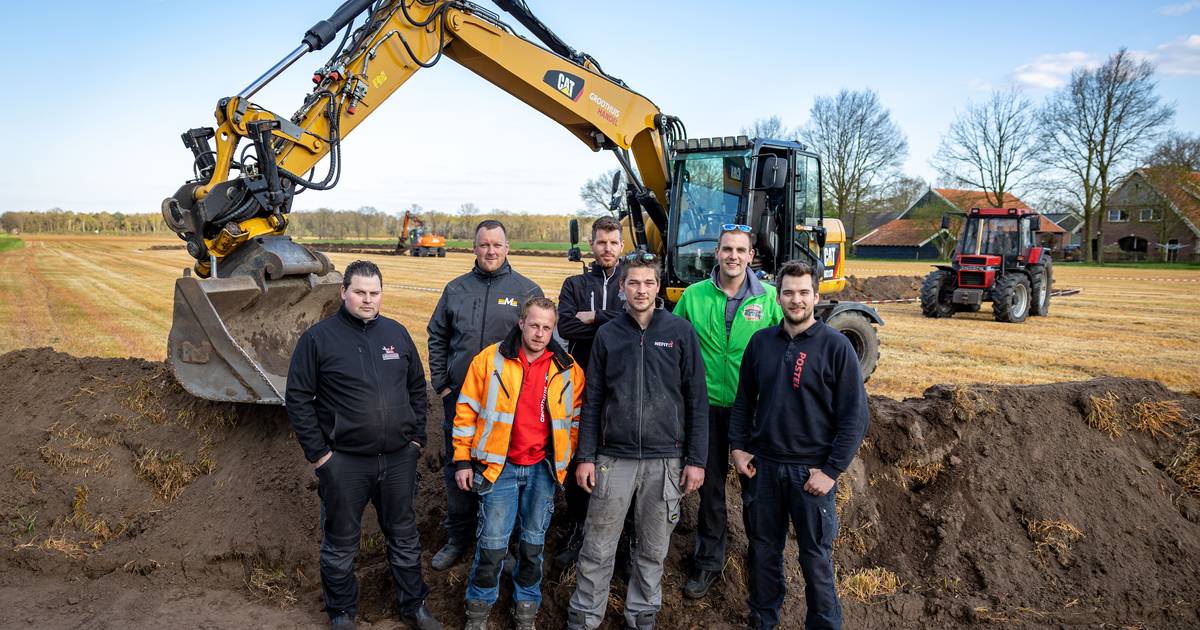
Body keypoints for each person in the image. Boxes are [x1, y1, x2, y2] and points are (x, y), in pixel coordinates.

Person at [285, 260, 441, 630]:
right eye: (360, 292)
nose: (367, 300)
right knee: (340, 542)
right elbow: (297, 397)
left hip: (398, 459)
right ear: (343, 292)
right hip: (345, 463)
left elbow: (418, 388)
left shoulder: (397, 334)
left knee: (404, 536)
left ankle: (414, 607)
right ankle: (341, 613)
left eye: (374, 293)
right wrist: (321, 456)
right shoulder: (319, 339)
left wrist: (416, 439)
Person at [567, 254, 709, 630]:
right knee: (597, 546)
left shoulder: (679, 332)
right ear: (622, 288)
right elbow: (593, 399)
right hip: (613, 459)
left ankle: (642, 613)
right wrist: (586, 457)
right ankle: (584, 616)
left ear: (657, 287)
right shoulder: (608, 335)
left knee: (652, 548)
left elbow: (696, 400)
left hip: (666, 461)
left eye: (648, 283)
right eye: (633, 283)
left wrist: (696, 460)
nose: (641, 290)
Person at [729, 261, 870, 630]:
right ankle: (763, 622)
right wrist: (739, 448)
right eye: (789, 292)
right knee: (763, 554)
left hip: (811, 474)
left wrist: (831, 471)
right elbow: (744, 400)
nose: (796, 299)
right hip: (765, 470)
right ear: (778, 297)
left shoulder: (836, 347)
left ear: (816, 296)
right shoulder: (761, 343)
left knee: (816, 559)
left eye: (803, 292)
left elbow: (854, 417)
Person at [452, 297, 585, 630]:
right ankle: (478, 612)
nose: (540, 333)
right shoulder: (489, 361)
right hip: (500, 469)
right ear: (521, 323)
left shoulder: (568, 369)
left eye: (547, 327)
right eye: (534, 325)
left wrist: (563, 463)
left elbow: (575, 421)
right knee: (493, 545)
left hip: (542, 470)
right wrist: (462, 460)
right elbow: (466, 409)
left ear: (553, 329)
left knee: (532, 545)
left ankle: (526, 610)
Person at [672, 225, 782, 599]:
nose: (733, 255)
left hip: (752, 412)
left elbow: (786, 352)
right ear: (716, 253)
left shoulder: (769, 300)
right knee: (711, 489)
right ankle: (708, 563)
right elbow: (675, 347)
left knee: (757, 490)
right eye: (726, 249)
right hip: (705, 410)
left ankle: (761, 558)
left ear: (752, 255)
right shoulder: (693, 296)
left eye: (740, 250)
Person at [427, 219, 544, 570]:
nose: (490, 251)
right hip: (461, 400)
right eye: (484, 245)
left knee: (501, 472)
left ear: (507, 248)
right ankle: (458, 537)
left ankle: (500, 543)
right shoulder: (456, 289)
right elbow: (437, 336)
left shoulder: (526, 292)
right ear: (474, 248)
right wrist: (442, 384)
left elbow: (540, 344)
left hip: (506, 408)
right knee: (457, 467)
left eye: (497, 244)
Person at [553, 215, 625, 566]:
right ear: (592, 246)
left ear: (621, 246)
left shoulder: (633, 281)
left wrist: (594, 317)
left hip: (623, 383)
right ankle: (578, 527)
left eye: (613, 243)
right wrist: (617, 317)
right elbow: (564, 323)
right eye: (601, 242)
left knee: (619, 456)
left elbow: (640, 318)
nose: (607, 248)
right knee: (580, 453)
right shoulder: (575, 284)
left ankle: (621, 536)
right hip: (580, 381)